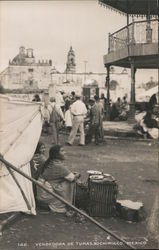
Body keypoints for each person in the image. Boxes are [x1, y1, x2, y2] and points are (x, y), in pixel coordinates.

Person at [36, 145, 80, 215]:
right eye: (62, 151)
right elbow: (72, 178)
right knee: (69, 183)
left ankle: (50, 203)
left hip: (43, 190)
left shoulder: (52, 162)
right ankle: (50, 205)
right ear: (56, 154)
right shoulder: (58, 165)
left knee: (66, 182)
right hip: (45, 193)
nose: (65, 152)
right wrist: (77, 175)